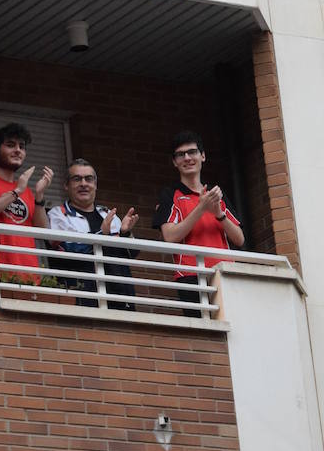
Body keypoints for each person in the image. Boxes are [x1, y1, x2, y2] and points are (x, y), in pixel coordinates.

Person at [153, 132, 244, 315]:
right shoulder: (170, 194)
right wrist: (201, 208)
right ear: (174, 162)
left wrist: (218, 213)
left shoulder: (216, 194)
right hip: (191, 276)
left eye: (192, 152)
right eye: (180, 154)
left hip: (224, 273)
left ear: (202, 156)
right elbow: (170, 237)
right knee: (205, 334)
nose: (187, 158)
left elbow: (239, 239)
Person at [48, 158, 139, 310]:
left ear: (95, 185)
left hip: (120, 297)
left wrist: (125, 234)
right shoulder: (58, 214)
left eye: (89, 179)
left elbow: (131, 254)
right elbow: (68, 249)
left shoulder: (108, 214)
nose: (83, 183)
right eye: (77, 179)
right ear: (66, 185)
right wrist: (101, 235)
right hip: (81, 298)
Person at [0, 122, 53, 284]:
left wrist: (39, 196)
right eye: (10, 145)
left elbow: (42, 231)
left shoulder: (26, 190)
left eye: (22, 146)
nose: (18, 150)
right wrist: (16, 192)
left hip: (30, 275)